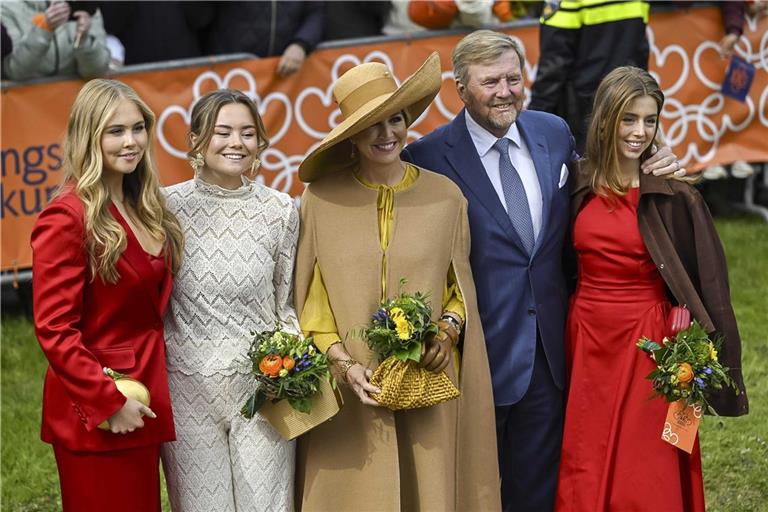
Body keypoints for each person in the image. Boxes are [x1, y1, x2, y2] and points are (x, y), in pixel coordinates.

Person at [403, 30, 684, 511]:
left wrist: (653, 157)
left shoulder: (553, 132)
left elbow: (601, 188)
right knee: (471, 486)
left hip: (550, 353)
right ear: (461, 88)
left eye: (514, 77)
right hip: (472, 352)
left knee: (536, 486)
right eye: (490, 82)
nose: (506, 91)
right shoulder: (427, 158)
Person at [293, 52, 500, 510]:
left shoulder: (445, 197)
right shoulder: (320, 201)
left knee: (430, 489)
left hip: (429, 380)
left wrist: (447, 331)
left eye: (397, 120)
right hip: (349, 392)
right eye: (373, 125)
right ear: (351, 135)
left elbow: (458, 287)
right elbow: (311, 301)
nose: (387, 134)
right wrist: (344, 365)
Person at [556, 65, 748, 511]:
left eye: (649, 120)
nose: (639, 132)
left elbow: (712, 283)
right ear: (605, 118)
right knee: (585, 453)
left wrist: (713, 363)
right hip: (586, 338)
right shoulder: (575, 183)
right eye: (628, 118)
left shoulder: (675, 194)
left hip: (652, 343)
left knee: (649, 464)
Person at [31, 78, 185, 511]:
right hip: (100, 410)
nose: (131, 141)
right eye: (115, 131)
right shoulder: (65, 217)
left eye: (138, 128)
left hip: (148, 394)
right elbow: (54, 329)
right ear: (88, 136)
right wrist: (108, 402)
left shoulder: (144, 203)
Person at [161, 89, 299, 511]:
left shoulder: (281, 210)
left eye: (247, 133)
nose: (236, 143)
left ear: (260, 143)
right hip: (186, 386)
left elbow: (287, 301)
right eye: (223, 132)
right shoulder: (165, 207)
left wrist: (288, 367)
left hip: (262, 389)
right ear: (198, 140)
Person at [528, 0, 650, 153]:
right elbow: (641, 51)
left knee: (585, 171)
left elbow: (554, 64)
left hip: (583, 110)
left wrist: (534, 118)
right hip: (627, 99)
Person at [1, 0, 110, 81]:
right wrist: (43, 30)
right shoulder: (6, 6)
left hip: (78, 103)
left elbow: (97, 72)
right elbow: (15, 72)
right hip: (23, 103)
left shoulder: (84, 4)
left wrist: (84, 41)